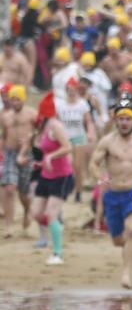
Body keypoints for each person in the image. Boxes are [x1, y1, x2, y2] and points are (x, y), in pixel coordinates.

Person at [89, 98, 132, 289]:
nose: (124, 122)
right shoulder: (107, 142)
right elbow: (93, 163)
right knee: (118, 240)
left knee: (131, 230)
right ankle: (129, 248)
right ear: (116, 120)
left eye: (128, 119)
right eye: (121, 119)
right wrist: (100, 178)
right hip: (113, 194)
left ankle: (126, 275)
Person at [30, 93, 73, 265]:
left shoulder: (56, 126)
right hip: (46, 175)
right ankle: (57, 227)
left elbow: (67, 147)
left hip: (62, 176)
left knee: (51, 213)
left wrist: (50, 156)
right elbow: (45, 150)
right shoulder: (44, 126)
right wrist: (40, 162)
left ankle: (57, 253)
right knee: (36, 213)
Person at [1, 84, 37, 238]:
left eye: (17, 99)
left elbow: (40, 132)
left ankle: (27, 210)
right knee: (9, 188)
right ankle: (9, 227)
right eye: (12, 99)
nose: (14, 102)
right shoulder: (5, 116)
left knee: (24, 192)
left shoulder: (32, 114)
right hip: (10, 154)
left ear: (23, 99)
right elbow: (3, 136)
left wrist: (31, 141)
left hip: (27, 154)